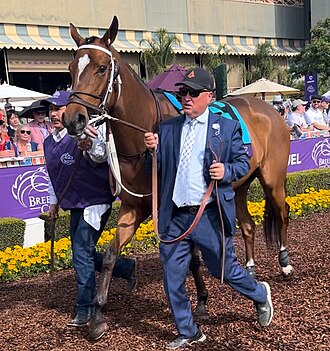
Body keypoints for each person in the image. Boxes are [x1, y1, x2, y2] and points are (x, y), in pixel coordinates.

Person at [144, 67, 274, 350]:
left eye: (192, 93)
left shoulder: (225, 127)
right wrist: (151, 152)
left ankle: (259, 294)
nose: (186, 98)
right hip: (175, 217)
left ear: (209, 96)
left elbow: (243, 162)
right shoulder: (167, 128)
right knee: (173, 278)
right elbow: (153, 170)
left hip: (210, 215)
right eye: (182, 93)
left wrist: (226, 170)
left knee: (224, 271)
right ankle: (189, 331)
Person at [43, 90, 137, 328]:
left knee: (81, 253)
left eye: (60, 109)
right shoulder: (47, 141)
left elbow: (100, 154)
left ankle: (85, 309)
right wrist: (54, 202)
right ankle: (126, 267)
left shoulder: (85, 131)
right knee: (82, 253)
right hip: (74, 203)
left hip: (94, 201)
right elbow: (51, 174)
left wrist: (87, 145)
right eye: (52, 110)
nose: (55, 114)